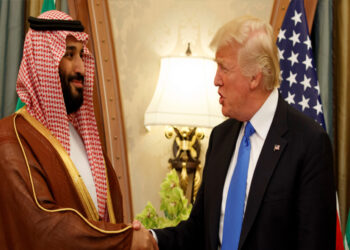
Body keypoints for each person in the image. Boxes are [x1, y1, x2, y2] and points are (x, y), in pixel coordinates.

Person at [151, 15, 336, 250]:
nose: (216, 80)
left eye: (224, 68)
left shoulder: (308, 143)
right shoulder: (220, 138)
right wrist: (151, 239)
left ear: (254, 77)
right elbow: (198, 231)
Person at [0, 10, 157, 250]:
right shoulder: (11, 138)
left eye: (82, 55)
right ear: (44, 62)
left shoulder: (84, 141)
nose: (81, 68)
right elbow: (40, 228)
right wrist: (124, 240)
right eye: (69, 55)